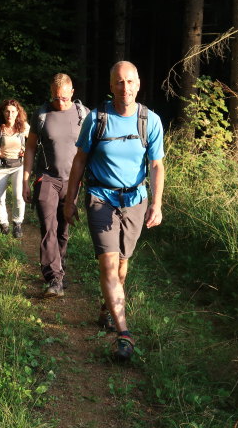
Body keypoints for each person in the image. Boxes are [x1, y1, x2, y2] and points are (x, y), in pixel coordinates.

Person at [63, 61, 165, 361]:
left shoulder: (150, 120)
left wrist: (157, 203)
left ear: (138, 84)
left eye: (130, 81)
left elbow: (157, 165)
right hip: (100, 198)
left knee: (122, 265)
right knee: (108, 265)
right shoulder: (96, 119)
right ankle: (124, 334)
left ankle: (108, 308)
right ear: (111, 86)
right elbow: (79, 161)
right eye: (119, 82)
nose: (125, 88)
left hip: (135, 201)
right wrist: (70, 200)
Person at [23, 74, 88, 297]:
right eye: (54, 97)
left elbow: (90, 149)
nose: (59, 102)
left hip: (72, 181)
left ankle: (60, 269)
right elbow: (30, 147)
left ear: (72, 92)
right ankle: (54, 278)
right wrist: (26, 180)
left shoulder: (83, 115)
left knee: (63, 230)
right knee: (47, 228)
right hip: (47, 178)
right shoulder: (42, 114)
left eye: (63, 97)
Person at [0, 99, 30, 238]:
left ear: (18, 113)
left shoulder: (24, 127)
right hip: (0, 165)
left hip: (18, 166)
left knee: (19, 196)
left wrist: (25, 150)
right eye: (7, 111)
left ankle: (17, 224)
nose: (10, 114)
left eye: (13, 111)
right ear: (3, 112)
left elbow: (33, 141)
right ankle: (3, 225)